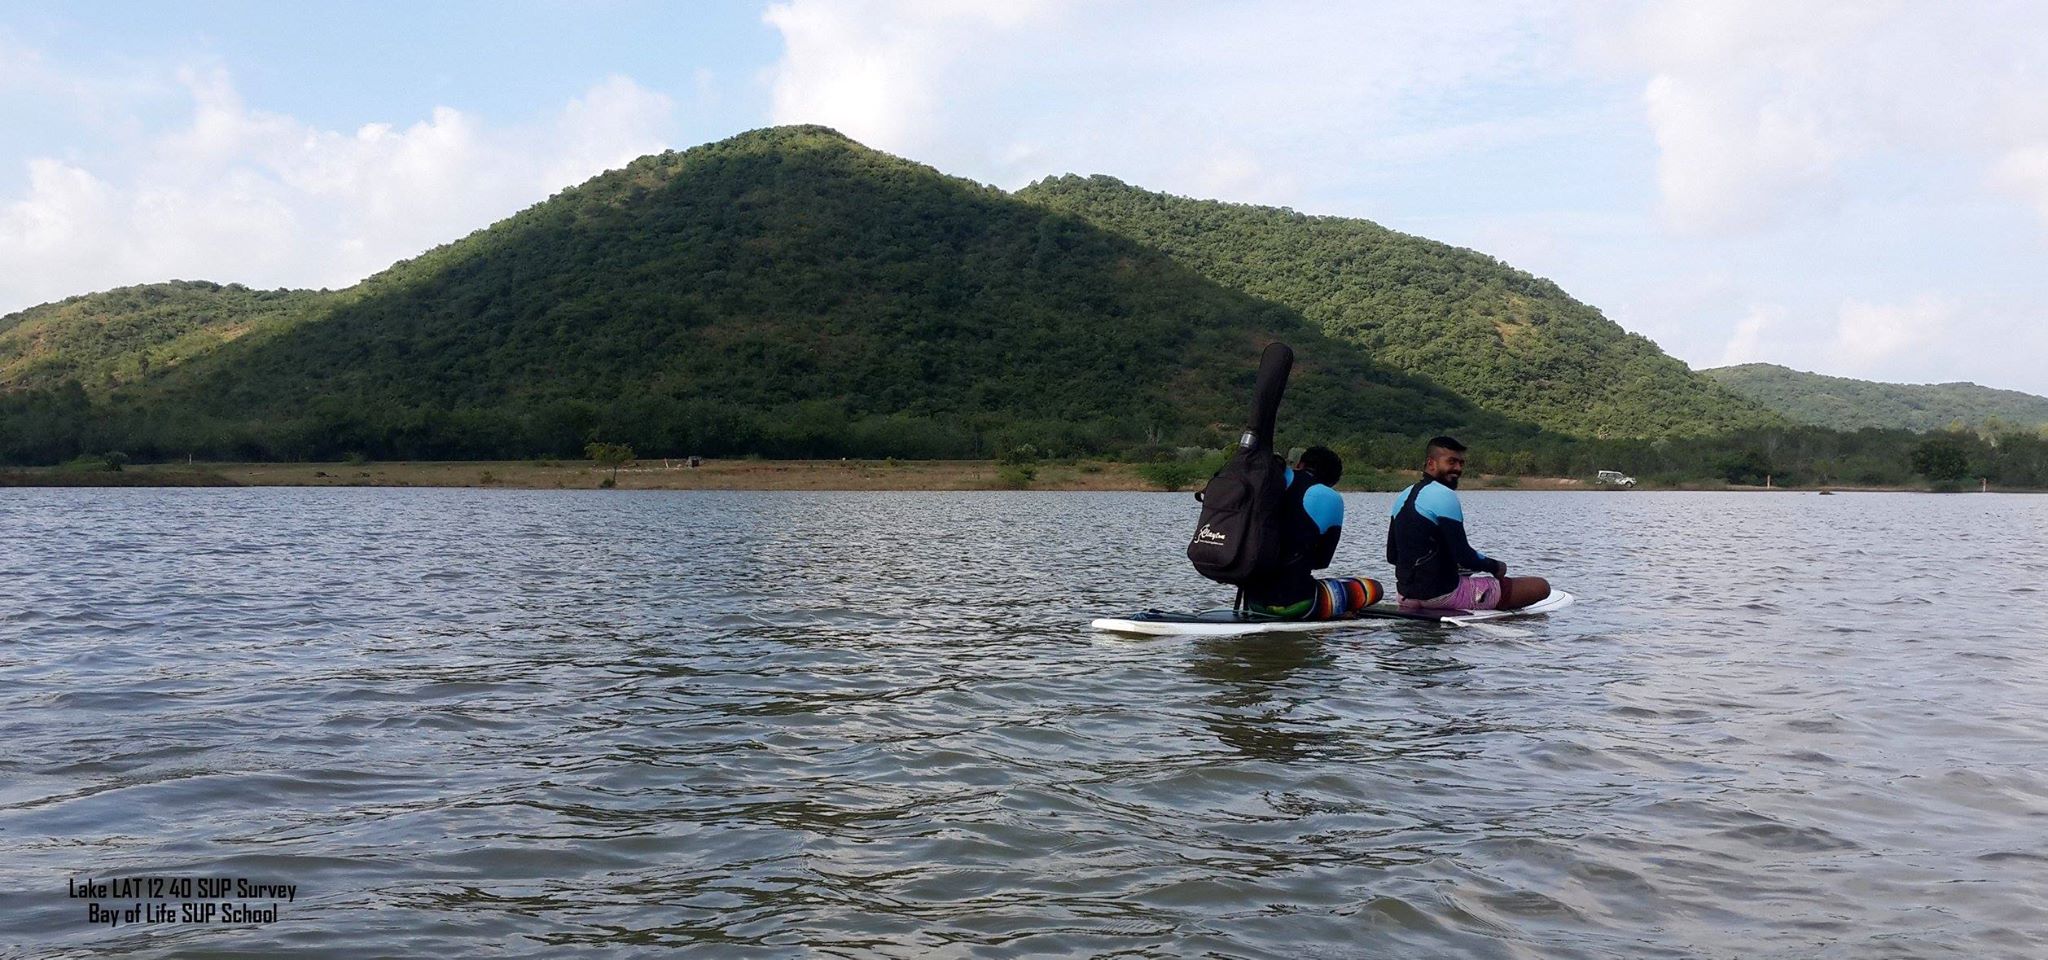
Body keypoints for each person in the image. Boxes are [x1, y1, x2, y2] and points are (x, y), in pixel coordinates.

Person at [1385, 436, 1550, 611]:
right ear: (1431, 463)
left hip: (1405, 596)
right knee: (1540, 586)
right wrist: (1496, 566)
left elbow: (1392, 556)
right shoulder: (1444, 495)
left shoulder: (1403, 495)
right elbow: (1464, 556)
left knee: (1460, 573)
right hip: (1444, 597)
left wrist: (1439, 569)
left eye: (1461, 463)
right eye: (1451, 462)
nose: (1457, 468)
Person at [1240, 446, 1384, 620]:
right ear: (1332, 481)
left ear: (1300, 464)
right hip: (1296, 603)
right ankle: (1330, 611)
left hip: (1252, 600)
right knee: (1374, 588)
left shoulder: (1268, 483)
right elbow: (1322, 561)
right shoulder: (1330, 496)